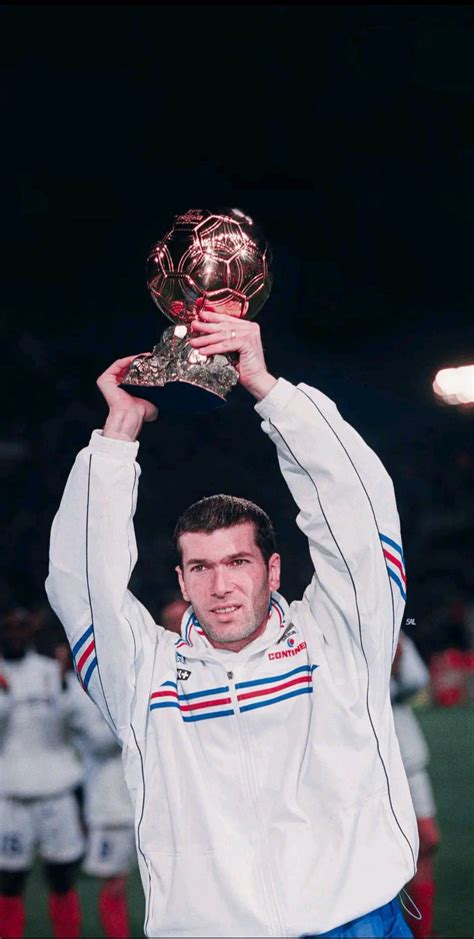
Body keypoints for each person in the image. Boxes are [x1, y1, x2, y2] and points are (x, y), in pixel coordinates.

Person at [46, 307, 418, 938]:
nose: (220, 586)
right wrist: (117, 436)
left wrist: (269, 392)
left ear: (273, 570)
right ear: (182, 581)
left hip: (355, 923)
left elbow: (359, 512)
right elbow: (81, 585)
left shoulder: (340, 638)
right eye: (201, 567)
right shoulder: (141, 678)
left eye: (238, 562)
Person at [0, 608, 84, 939]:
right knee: (9, 880)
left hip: (56, 791)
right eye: (7, 628)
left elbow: (75, 721)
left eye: (20, 628)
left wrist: (65, 683)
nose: (14, 634)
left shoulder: (50, 671)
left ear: (30, 633)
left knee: (62, 877)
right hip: (10, 794)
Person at [391, 631, 441, 938]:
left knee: (427, 841)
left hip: (409, 756)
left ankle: (423, 931)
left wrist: (396, 664)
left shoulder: (395, 630)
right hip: (371, 760)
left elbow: (417, 680)